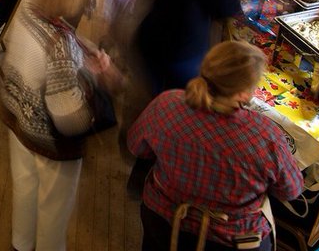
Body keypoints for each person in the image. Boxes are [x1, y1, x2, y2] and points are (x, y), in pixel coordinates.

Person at [128, 41, 303, 251]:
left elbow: (136, 147)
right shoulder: (266, 136)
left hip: (163, 218)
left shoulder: (166, 103)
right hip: (230, 238)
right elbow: (290, 190)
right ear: (243, 93)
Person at [2, 0, 120, 251]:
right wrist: (92, 80)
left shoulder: (28, 8)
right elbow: (70, 120)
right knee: (53, 205)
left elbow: (52, 42)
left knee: (24, 185)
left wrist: (83, 55)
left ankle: (21, 243)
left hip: (17, 116)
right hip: (48, 139)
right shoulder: (60, 49)